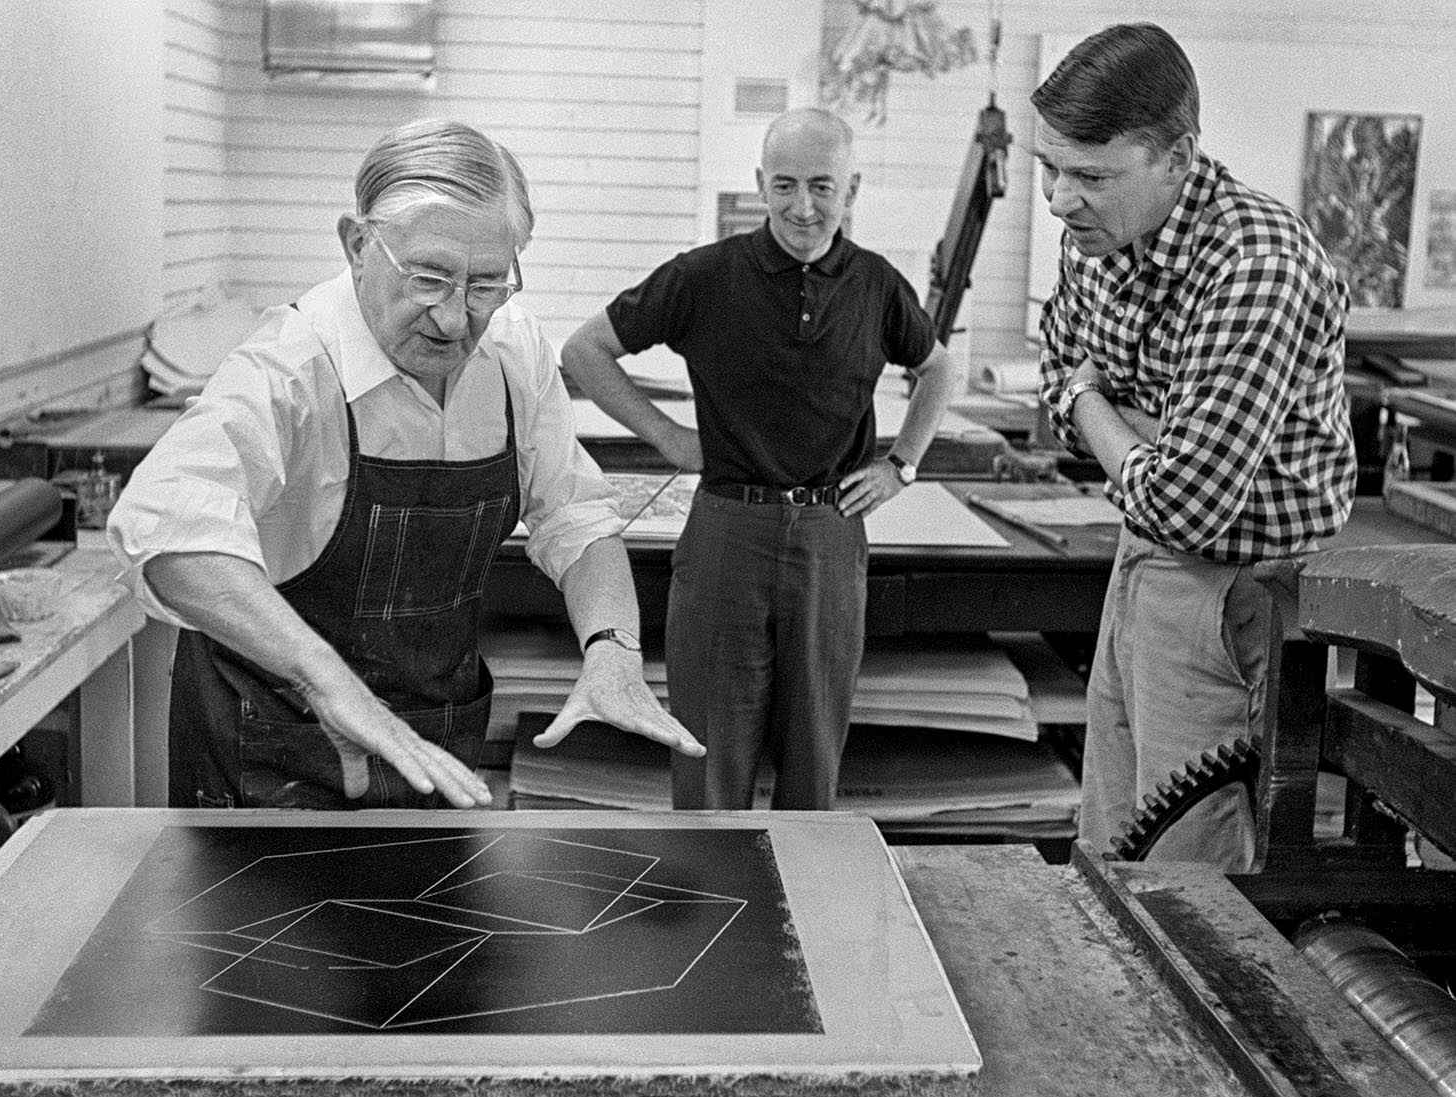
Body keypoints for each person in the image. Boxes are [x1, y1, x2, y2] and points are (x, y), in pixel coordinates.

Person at [108, 118, 702, 811]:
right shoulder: (291, 368)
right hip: (267, 760)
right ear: (358, 245)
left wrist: (612, 646)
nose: (455, 319)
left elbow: (573, 513)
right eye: (430, 278)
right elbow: (166, 526)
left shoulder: (514, 356)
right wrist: (326, 681)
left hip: (434, 750)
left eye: (485, 285)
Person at [562, 107, 958, 810]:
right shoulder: (704, 277)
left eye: (822, 187)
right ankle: (713, 912)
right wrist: (667, 436)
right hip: (725, 536)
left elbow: (938, 370)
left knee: (813, 768)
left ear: (852, 188)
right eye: (784, 186)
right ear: (759, 185)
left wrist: (902, 466)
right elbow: (584, 352)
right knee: (707, 759)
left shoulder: (876, 285)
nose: (803, 208)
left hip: (831, 535)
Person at [1032, 24, 1357, 869]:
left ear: (1176, 159)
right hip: (1138, 563)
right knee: (1110, 843)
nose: (1060, 201)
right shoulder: (1096, 241)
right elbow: (1053, 381)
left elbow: (1188, 500)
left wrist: (1092, 396)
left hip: (1231, 590)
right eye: (1051, 170)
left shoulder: (1255, 261)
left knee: (1191, 875)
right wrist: (1117, 421)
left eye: (1090, 176)